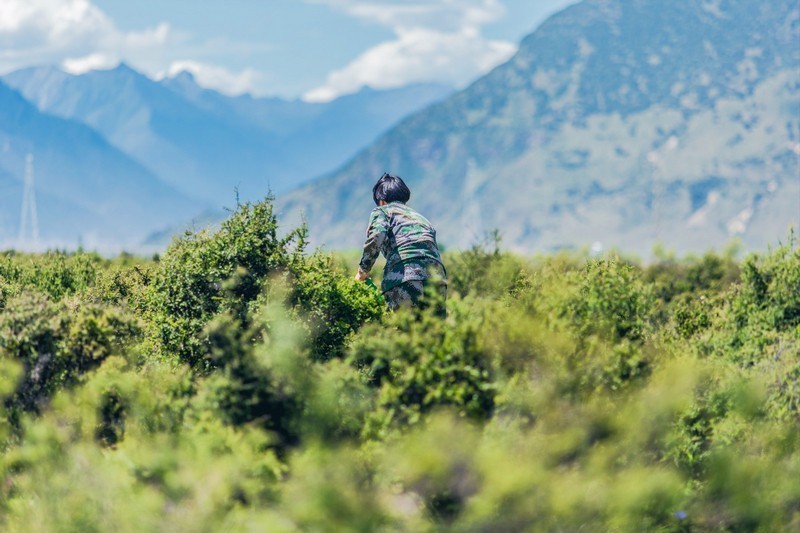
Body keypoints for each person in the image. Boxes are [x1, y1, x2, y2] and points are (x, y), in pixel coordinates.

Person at [355, 173, 447, 312]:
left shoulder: (383, 211)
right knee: (433, 331)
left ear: (381, 201)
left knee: (401, 330)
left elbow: (377, 236)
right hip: (437, 278)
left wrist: (363, 271)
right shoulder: (421, 218)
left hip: (405, 277)